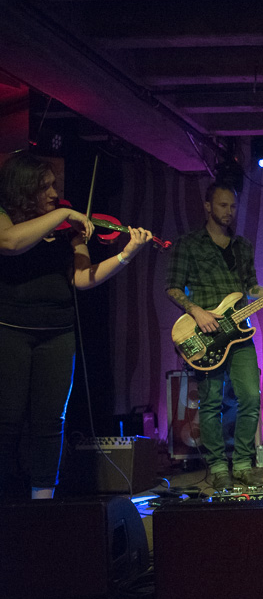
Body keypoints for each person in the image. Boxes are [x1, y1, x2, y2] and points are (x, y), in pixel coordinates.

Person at [0, 152, 152, 499]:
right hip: (9, 330)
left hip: (58, 333)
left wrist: (126, 254)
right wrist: (62, 214)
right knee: (5, 420)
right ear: (24, 188)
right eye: (45, 187)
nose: (55, 193)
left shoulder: (67, 227)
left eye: (54, 185)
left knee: (50, 421)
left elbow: (82, 278)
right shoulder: (5, 216)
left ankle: (43, 502)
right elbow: (9, 243)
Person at [165, 183, 263, 491]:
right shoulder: (189, 244)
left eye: (233, 206)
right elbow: (172, 287)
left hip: (238, 334)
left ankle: (242, 464)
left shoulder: (241, 247)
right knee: (211, 402)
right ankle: (218, 467)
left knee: (250, 396)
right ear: (208, 206)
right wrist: (197, 311)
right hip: (205, 333)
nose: (229, 211)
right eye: (223, 205)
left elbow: (250, 288)